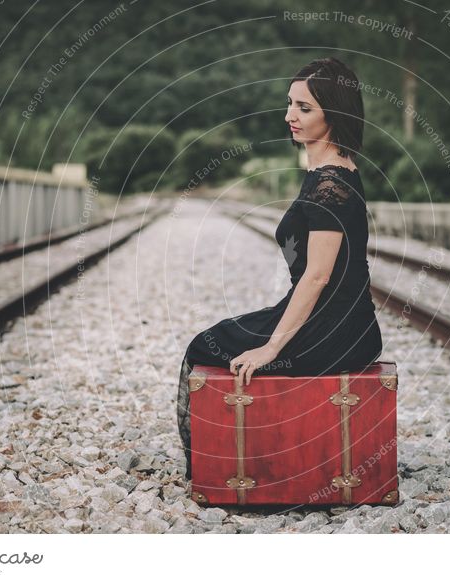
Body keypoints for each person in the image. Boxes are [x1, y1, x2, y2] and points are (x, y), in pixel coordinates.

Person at [176, 56, 383, 480]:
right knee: (212, 345)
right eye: (290, 103)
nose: (290, 115)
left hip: (337, 329)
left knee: (204, 347)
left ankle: (213, 468)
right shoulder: (324, 173)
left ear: (335, 113)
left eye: (305, 108)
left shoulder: (332, 184)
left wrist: (273, 346)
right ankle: (222, 462)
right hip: (331, 319)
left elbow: (319, 275)